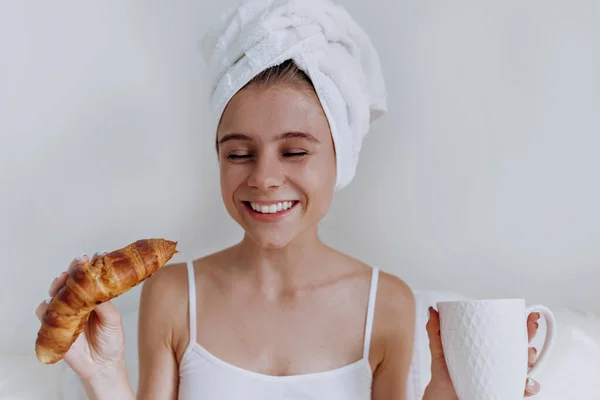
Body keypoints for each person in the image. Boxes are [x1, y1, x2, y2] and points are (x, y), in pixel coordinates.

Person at [35, 0, 544, 399]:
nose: (265, 178)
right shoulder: (172, 294)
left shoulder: (386, 303)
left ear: (341, 155)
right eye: (239, 153)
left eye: (295, 151)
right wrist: (102, 375)